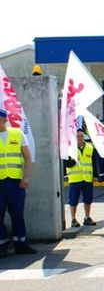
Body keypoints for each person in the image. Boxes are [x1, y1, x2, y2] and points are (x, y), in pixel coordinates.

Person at [0, 109, 36, 256]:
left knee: (17, 213)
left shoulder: (17, 134)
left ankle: (20, 244)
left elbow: (27, 157)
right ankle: (2, 245)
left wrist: (26, 178)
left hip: (15, 183)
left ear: (4, 119)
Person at [63, 129, 98, 228]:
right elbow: (66, 164)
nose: (80, 138)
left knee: (88, 199)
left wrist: (95, 175)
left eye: (81, 136)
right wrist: (74, 160)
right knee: (73, 200)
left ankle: (87, 217)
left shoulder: (90, 148)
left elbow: (94, 163)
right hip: (75, 179)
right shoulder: (69, 148)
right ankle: (73, 219)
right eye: (78, 136)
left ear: (84, 137)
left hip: (87, 178)